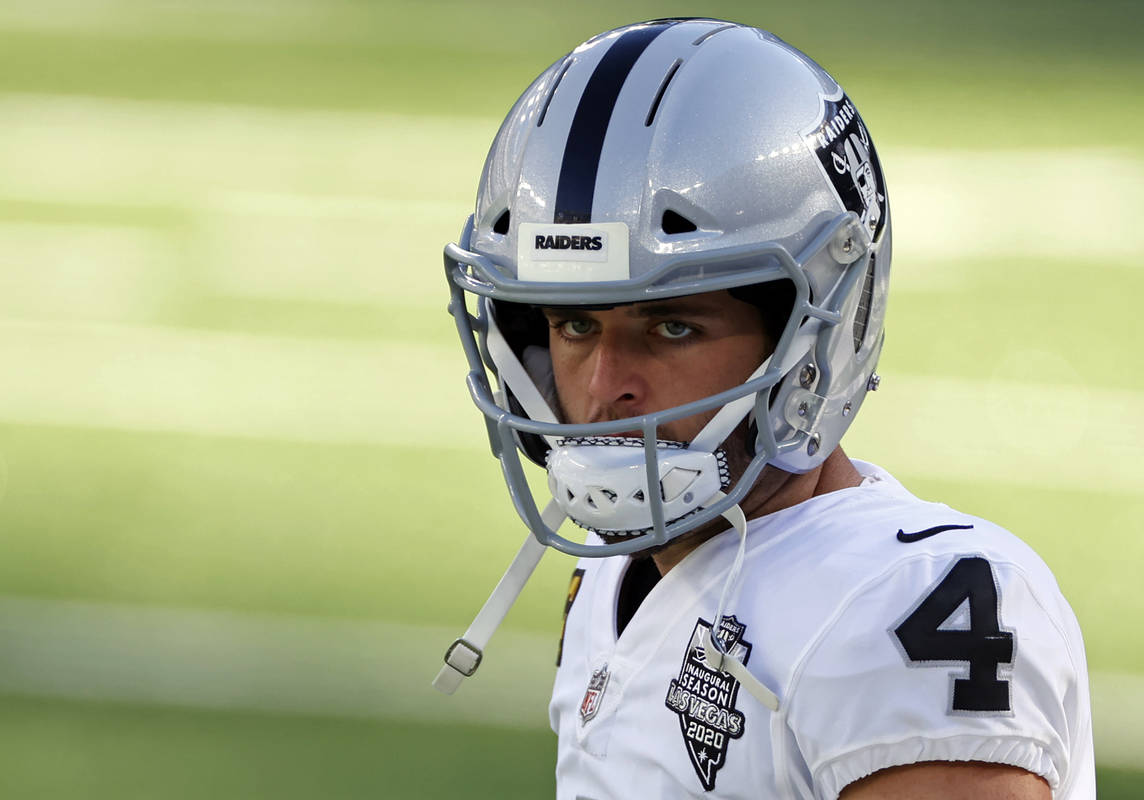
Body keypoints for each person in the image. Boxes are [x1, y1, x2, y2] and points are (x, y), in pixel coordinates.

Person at [432, 18, 1094, 799]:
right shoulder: (617, 578)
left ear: (812, 344)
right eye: (575, 325)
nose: (606, 385)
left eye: (672, 326)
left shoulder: (907, 605)